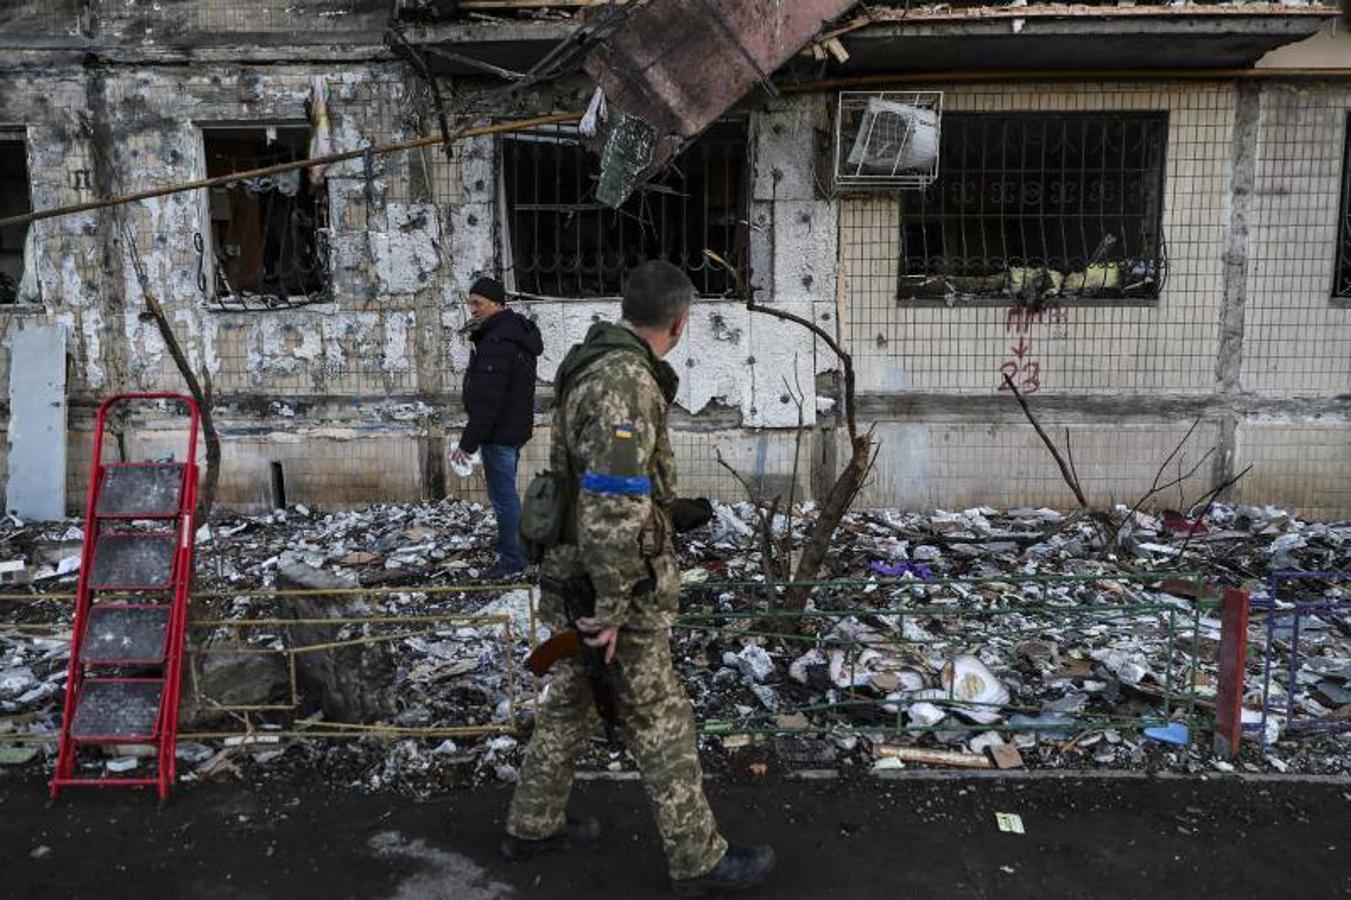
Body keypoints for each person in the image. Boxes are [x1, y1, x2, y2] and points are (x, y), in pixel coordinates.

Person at [501, 260, 776, 895]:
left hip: (576, 569)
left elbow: (604, 485)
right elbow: (610, 505)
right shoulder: (625, 381)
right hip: (609, 585)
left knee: (570, 703)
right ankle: (698, 861)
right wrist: (611, 609)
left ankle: (532, 824)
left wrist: (667, 511)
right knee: (659, 716)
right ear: (680, 322)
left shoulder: (596, 362)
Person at [453, 275, 543, 581]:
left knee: (504, 499)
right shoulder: (515, 333)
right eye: (471, 303)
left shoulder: (497, 342)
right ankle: (514, 545)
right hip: (513, 428)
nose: (473, 309)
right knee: (507, 496)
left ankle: (513, 558)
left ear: (496, 303)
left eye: (477, 303)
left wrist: (467, 443)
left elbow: (488, 400)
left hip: (499, 432)